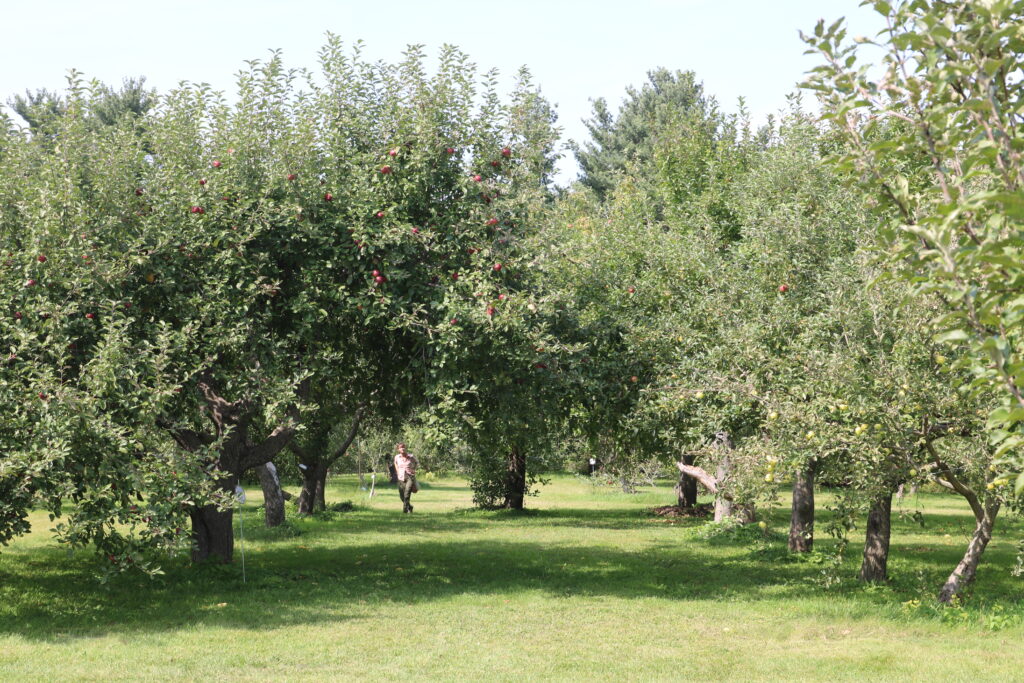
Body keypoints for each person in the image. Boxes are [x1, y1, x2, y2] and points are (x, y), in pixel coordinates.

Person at [393, 443, 419, 513]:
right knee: (402, 496)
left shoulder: (411, 456)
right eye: (401, 448)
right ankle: (410, 507)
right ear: (398, 449)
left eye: (404, 447)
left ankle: (405, 511)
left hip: (410, 477)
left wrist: (414, 469)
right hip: (401, 477)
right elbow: (395, 463)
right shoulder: (397, 457)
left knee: (407, 494)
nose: (403, 449)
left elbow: (416, 463)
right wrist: (397, 471)